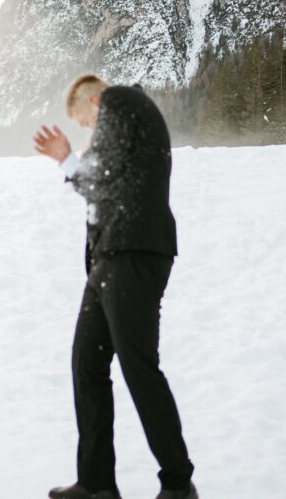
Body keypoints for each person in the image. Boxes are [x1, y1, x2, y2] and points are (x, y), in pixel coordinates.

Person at [33, 74, 197, 499]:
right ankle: (96, 483)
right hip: (111, 258)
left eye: (85, 121)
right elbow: (102, 185)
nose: (89, 129)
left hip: (134, 253)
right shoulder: (126, 126)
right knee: (86, 364)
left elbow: (98, 178)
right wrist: (76, 163)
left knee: (138, 367)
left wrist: (69, 159)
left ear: (93, 100)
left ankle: (179, 483)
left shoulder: (119, 101)